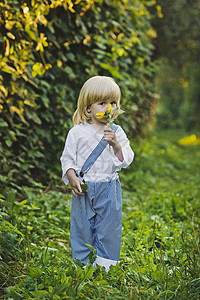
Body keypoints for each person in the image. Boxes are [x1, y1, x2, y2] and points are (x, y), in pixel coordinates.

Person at [60, 76, 134, 271]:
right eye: (102, 103)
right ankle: (82, 265)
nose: (108, 108)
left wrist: (116, 145)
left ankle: (106, 266)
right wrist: (71, 175)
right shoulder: (76, 133)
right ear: (88, 109)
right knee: (81, 227)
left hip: (109, 186)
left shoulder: (116, 131)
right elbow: (67, 158)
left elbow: (127, 158)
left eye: (113, 103)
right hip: (83, 187)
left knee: (109, 227)